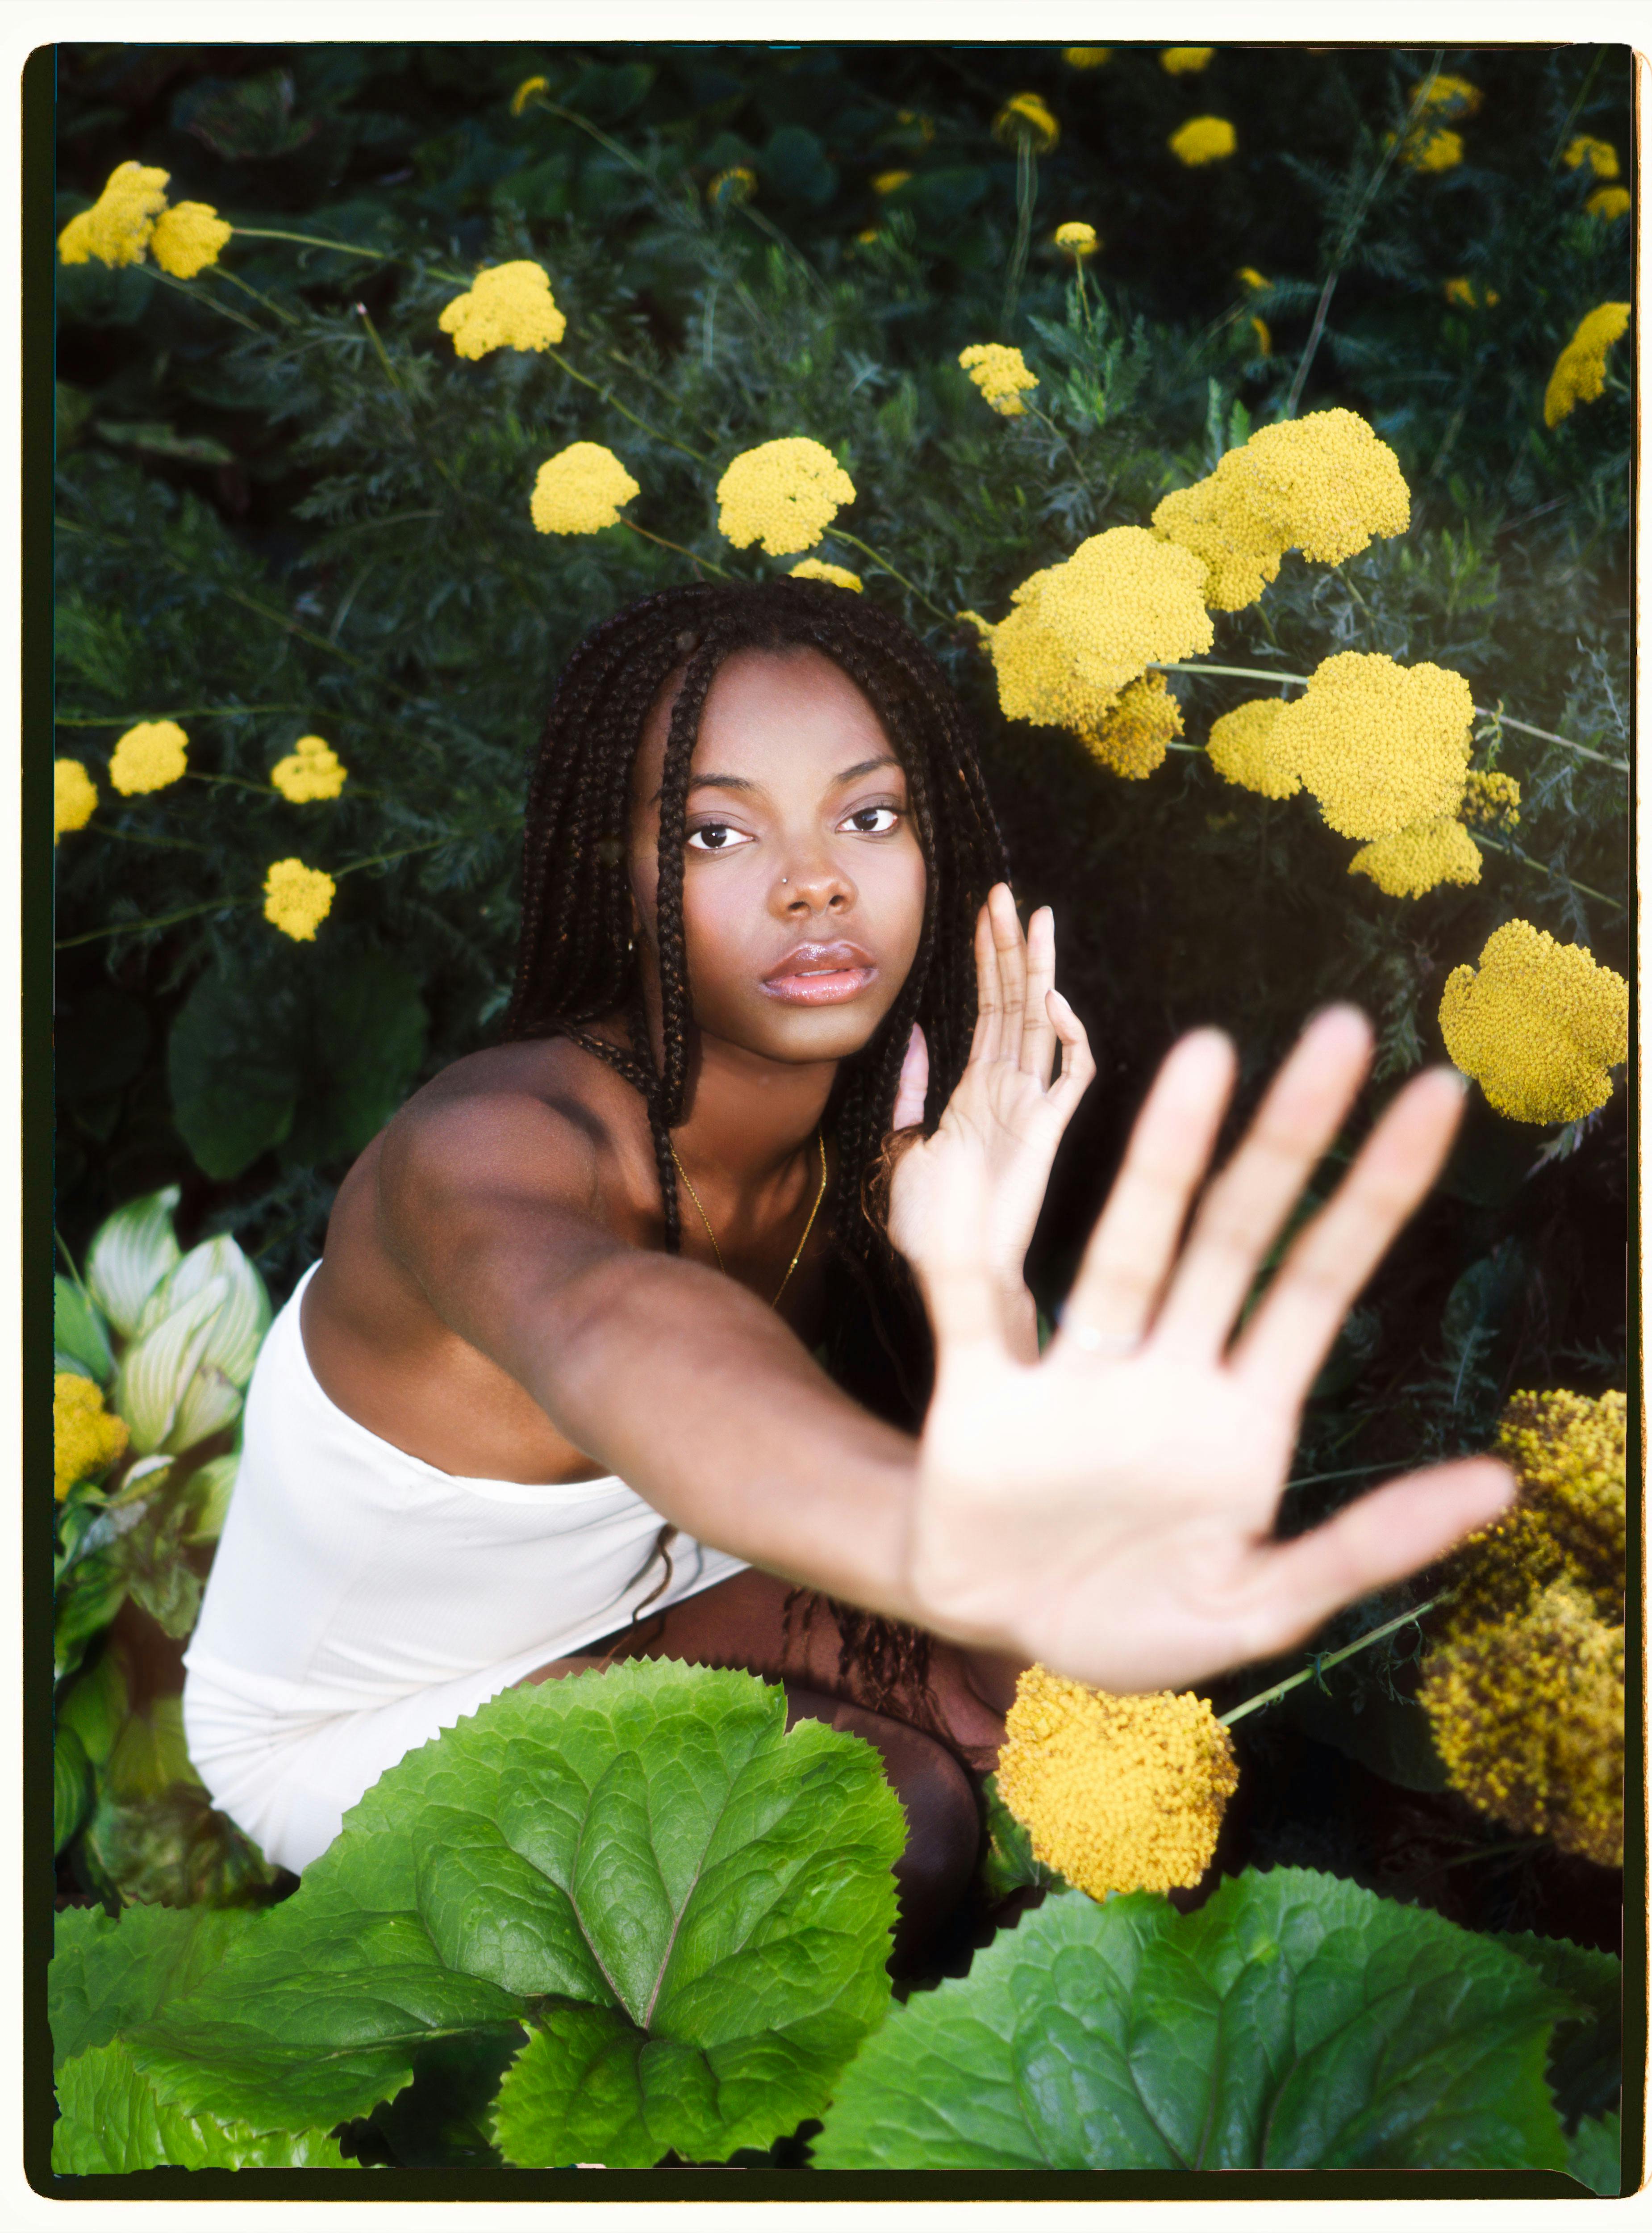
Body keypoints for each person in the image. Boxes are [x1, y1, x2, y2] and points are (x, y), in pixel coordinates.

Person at [181, 578, 1512, 1964]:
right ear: (612, 872)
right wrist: (956, 1541)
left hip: (658, 1579)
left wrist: (975, 1277)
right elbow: (628, 1340)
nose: (816, 879)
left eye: (867, 816)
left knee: (1036, 1710)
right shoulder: (488, 1151)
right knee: (894, 1820)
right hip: (362, 1719)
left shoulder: (862, 1149)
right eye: (716, 830)